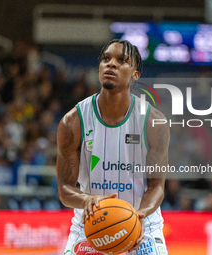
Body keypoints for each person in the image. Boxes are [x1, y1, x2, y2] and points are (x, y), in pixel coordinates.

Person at [57, 39, 170, 255]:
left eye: (122, 60)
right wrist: (86, 199)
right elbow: (64, 189)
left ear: (135, 73)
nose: (111, 64)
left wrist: (140, 216)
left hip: (142, 224)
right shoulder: (72, 122)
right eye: (106, 59)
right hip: (92, 225)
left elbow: (157, 186)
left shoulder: (154, 123)